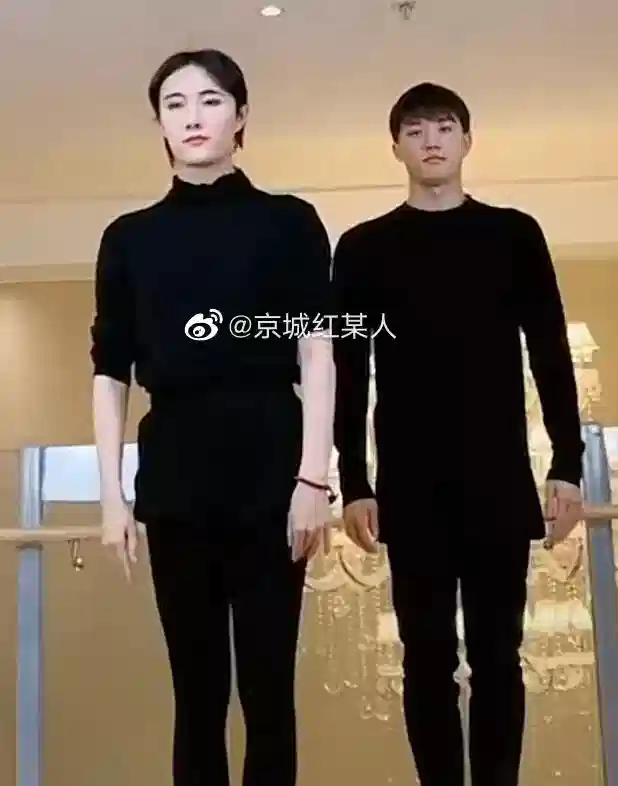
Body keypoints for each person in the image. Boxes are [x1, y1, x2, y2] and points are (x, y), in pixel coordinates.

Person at [89, 49, 335, 786]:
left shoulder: (289, 222)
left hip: (272, 470)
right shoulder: (129, 237)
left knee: (269, 691)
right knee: (196, 695)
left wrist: (313, 479)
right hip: (175, 475)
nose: (193, 117)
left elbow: (317, 352)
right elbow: (110, 371)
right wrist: (111, 497)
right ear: (160, 124)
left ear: (241, 115)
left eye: (210, 100)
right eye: (175, 104)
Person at [332, 82, 585, 786]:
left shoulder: (513, 234)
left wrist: (568, 463)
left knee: (501, 656)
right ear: (396, 148)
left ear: (468, 140)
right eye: (415, 130)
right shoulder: (363, 248)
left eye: (444, 127)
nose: (431, 141)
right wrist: (353, 481)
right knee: (425, 660)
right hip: (410, 485)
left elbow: (550, 352)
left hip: (498, 479)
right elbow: (348, 369)